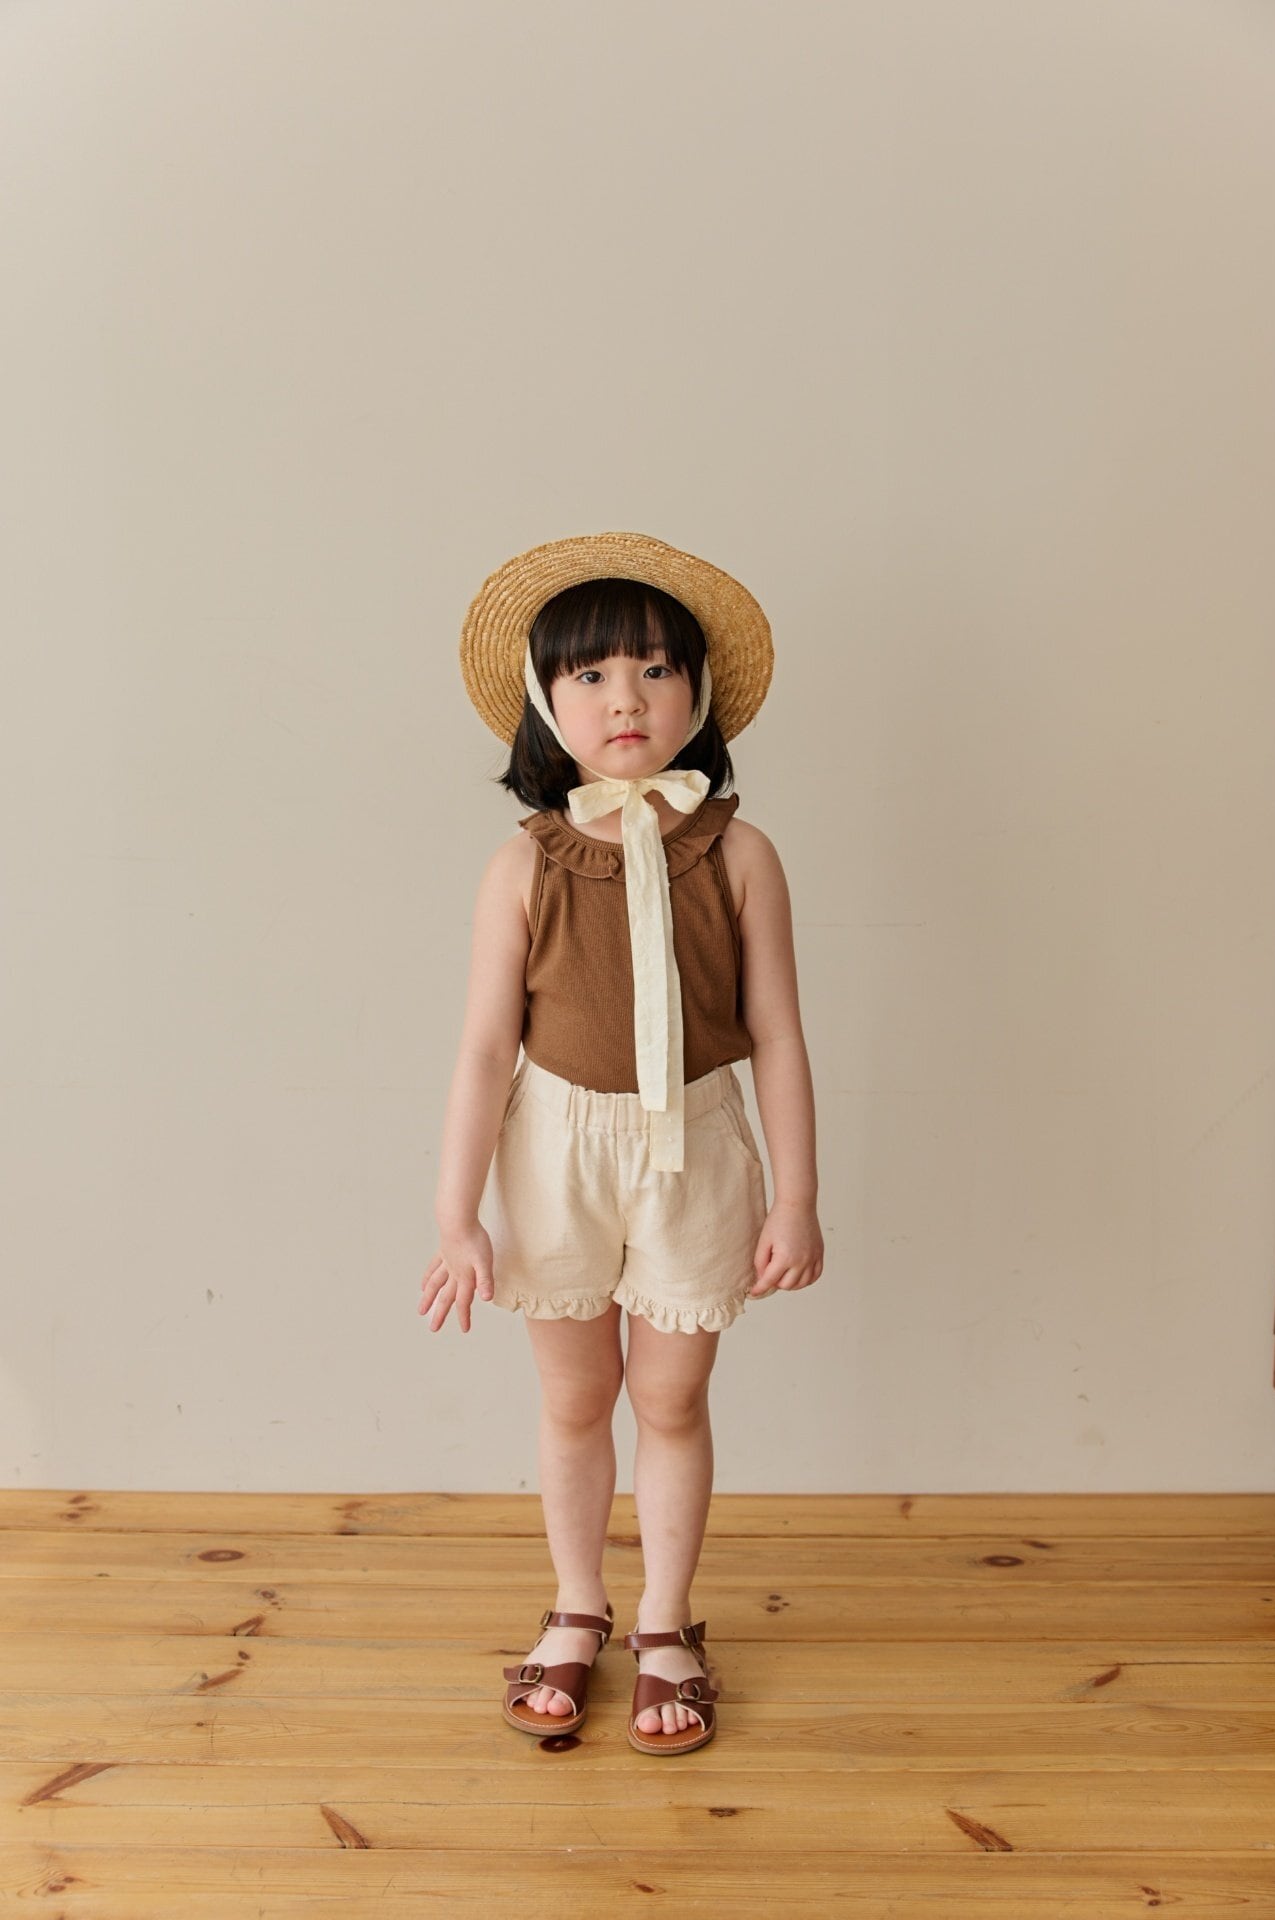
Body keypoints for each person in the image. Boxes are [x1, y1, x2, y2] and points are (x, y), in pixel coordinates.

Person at [419, 530, 823, 1755]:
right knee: (574, 1394)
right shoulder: (521, 865)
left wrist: (794, 1197)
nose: (625, 697)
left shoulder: (740, 854)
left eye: (653, 669)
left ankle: (664, 1619)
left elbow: (777, 1036)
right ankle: (575, 1603)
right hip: (555, 1151)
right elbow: (484, 1050)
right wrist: (455, 1214)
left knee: (671, 1394)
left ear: (697, 694)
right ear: (547, 705)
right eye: (590, 674)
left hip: (694, 1147)